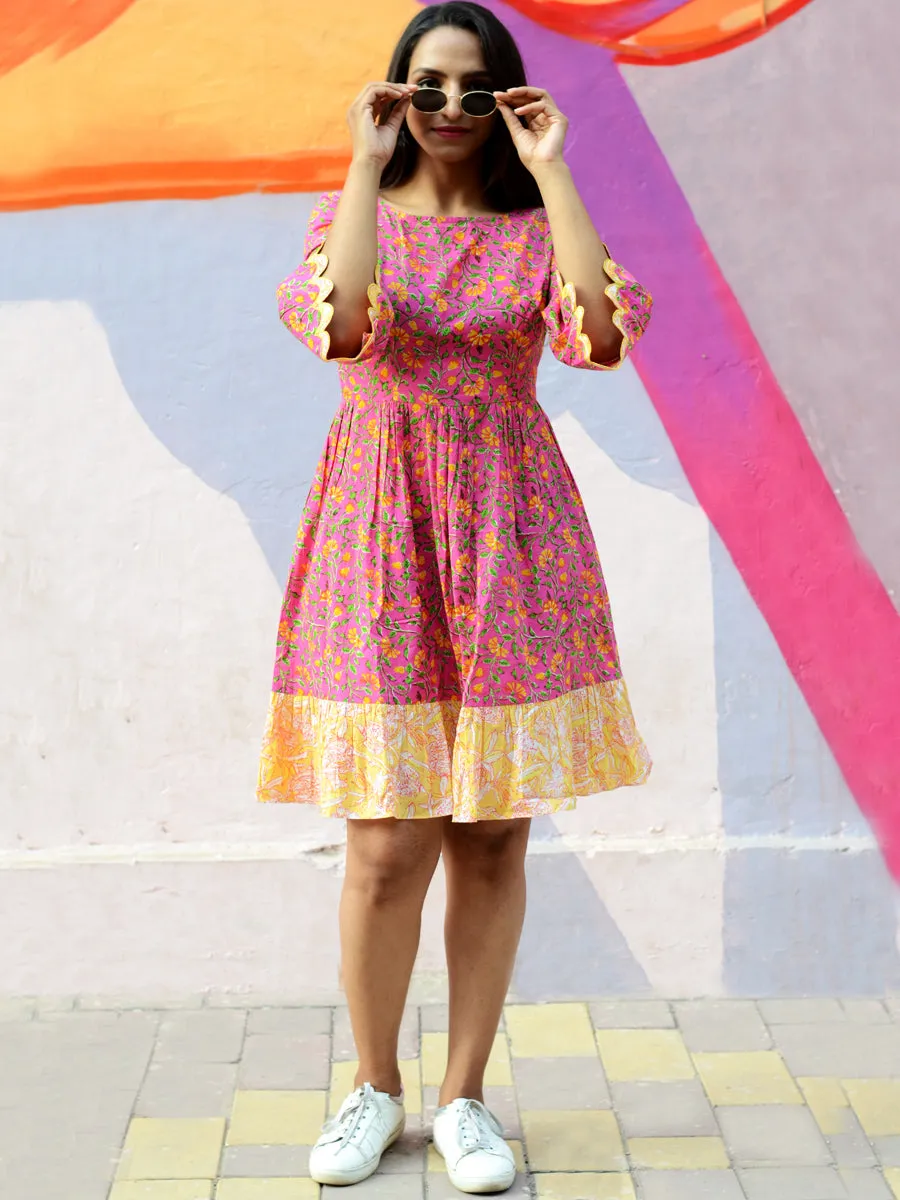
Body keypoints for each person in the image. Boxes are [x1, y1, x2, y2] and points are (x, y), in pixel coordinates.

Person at [257, 1, 653, 1191]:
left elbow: (598, 337)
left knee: (490, 834)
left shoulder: (535, 231)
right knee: (384, 841)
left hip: (510, 532)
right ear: (396, 93)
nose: (447, 108)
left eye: (474, 90)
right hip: (377, 533)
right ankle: (371, 1088)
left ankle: (466, 1096)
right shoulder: (349, 215)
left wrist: (556, 172)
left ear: (506, 103)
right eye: (427, 86)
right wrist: (363, 166)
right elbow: (344, 330)